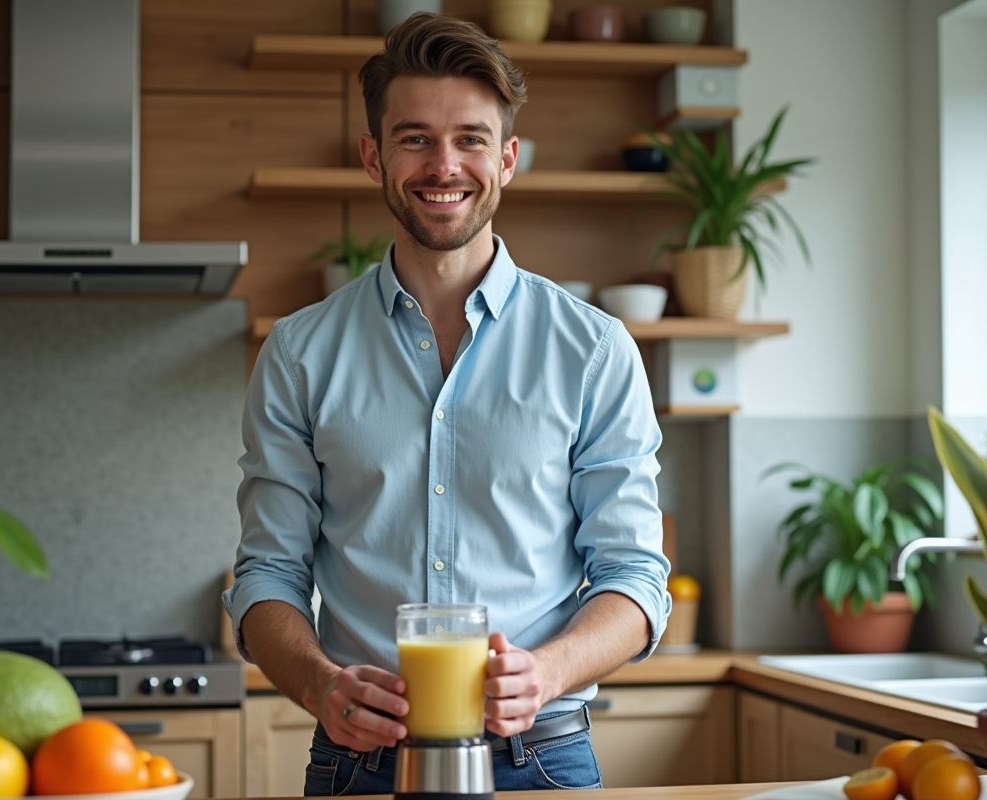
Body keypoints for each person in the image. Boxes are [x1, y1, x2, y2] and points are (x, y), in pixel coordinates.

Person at [223, 12, 670, 795]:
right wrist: (319, 684)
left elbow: (635, 577)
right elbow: (267, 576)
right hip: (357, 763)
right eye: (415, 138)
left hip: (542, 757)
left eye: (469, 138)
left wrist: (548, 670)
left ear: (507, 158)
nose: (444, 164)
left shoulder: (594, 351)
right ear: (373, 156)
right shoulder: (299, 352)